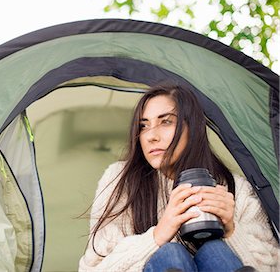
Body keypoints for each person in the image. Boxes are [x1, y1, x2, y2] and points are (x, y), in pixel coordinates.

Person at [78, 83, 278, 272]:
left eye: (166, 122)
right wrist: (157, 236)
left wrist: (232, 231)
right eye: (143, 126)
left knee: (214, 250)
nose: (151, 136)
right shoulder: (121, 181)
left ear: (193, 128)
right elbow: (92, 268)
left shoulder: (236, 189)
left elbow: (273, 266)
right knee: (171, 254)